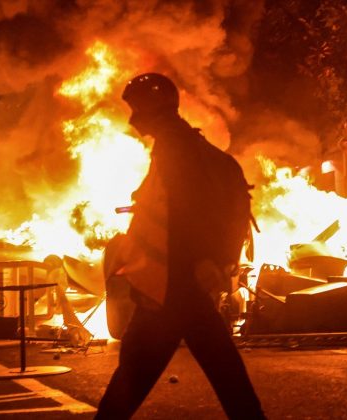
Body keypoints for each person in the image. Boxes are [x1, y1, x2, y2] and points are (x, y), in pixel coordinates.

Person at [96, 73, 265, 419]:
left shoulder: (177, 153)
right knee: (225, 371)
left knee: (133, 378)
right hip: (178, 289)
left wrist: (194, 264)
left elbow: (185, 216)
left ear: (155, 108)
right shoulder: (179, 147)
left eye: (137, 108)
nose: (133, 118)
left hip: (170, 291)